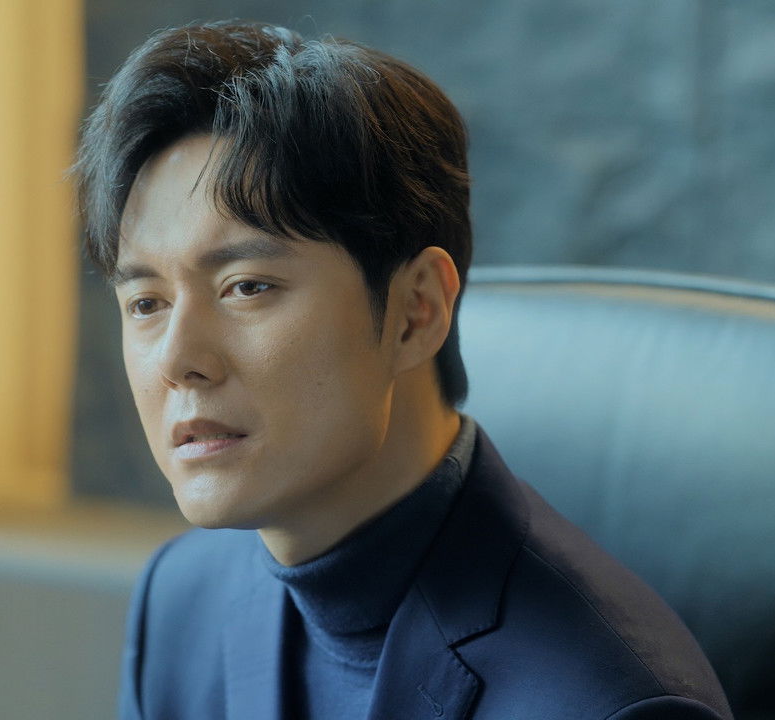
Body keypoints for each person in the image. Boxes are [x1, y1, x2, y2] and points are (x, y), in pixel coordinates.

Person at [73, 19, 733, 720]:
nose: (177, 360)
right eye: (146, 302)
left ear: (417, 311)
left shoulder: (614, 704)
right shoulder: (179, 602)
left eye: (247, 287)